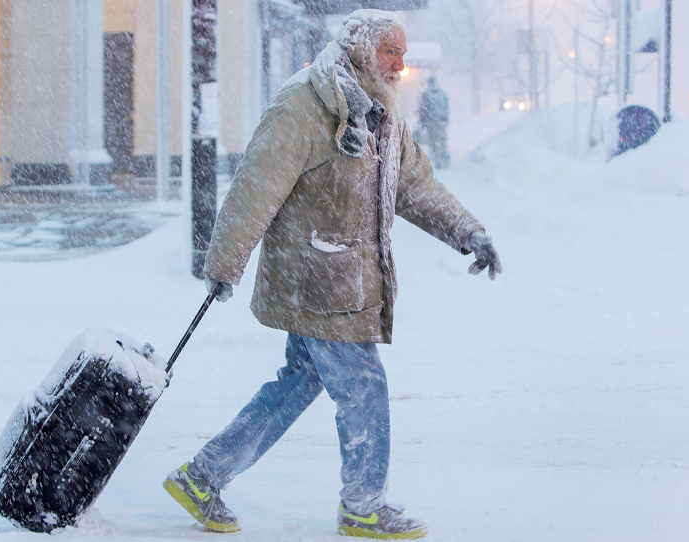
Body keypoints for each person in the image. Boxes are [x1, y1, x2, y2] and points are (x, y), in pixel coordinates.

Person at [162, 9, 501, 539]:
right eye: (392, 51)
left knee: (300, 381)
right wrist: (226, 261)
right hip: (316, 278)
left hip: (343, 277)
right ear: (364, 50)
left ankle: (203, 476)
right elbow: (256, 186)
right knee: (364, 386)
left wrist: (468, 232)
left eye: (403, 53)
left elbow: (415, 186)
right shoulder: (305, 103)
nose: (400, 63)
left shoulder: (382, 114)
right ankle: (364, 505)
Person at [417, 76, 451, 168]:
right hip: (442, 121)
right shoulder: (443, 93)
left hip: (432, 122)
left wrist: (422, 121)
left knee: (434, 141)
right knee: (442, 139)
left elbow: (423, 109)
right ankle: (445, 157)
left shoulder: (427, 94)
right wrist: (446, 119)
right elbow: (446, 107)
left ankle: (438, 160)